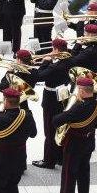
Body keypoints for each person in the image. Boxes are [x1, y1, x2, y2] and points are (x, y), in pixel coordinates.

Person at [46, 77, 97, 193]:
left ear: (81, 90)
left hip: (74, 145)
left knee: (68, 176)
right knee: (84, 172)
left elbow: (56, 120)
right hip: (89, 142)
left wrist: (66, 108)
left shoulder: (79, 107)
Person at [31, 38, 71, 170]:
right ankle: (60, 157)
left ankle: (48, 160)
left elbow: (39, 76)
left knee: (49, 131)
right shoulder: (69, 60)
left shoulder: (55, 66)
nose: (51, 51)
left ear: (57, 50)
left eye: (53, 49)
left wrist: (45, 62)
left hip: (51, 98)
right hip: (63, 95)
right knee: (60, 127)